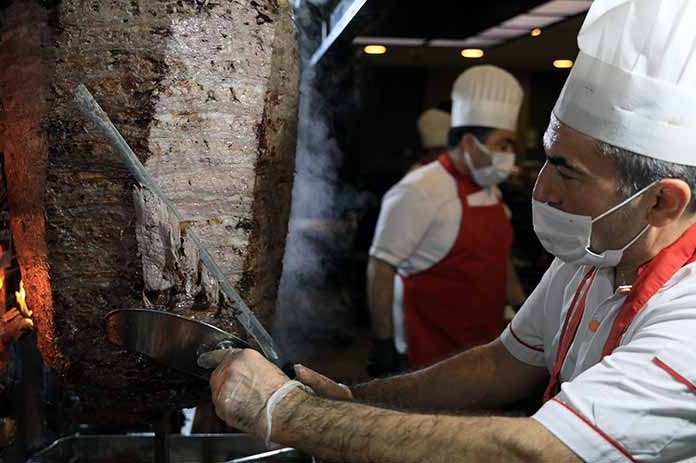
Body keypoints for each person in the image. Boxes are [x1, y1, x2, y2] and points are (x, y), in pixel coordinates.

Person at [201, 1, 696, 461]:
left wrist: (287, 413)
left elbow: (534, 451)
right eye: (546, 159)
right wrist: (356, 399)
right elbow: (503, 364)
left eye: (567, 171)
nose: (540, 189)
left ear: (661, 201)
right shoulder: (593, 255)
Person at [367, 65, 527, 376]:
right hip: (428, 350)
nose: (510, 155)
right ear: (469, 144)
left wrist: (522, 309)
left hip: (482, 348)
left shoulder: (490, 190)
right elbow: (381, 267)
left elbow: (498, 260)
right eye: (503, 145)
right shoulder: (419, 190)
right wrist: (382, 341)